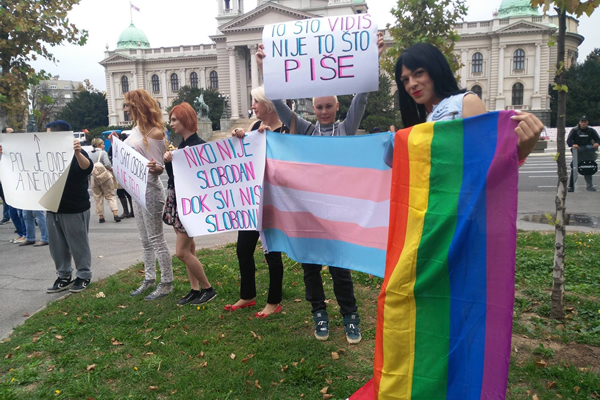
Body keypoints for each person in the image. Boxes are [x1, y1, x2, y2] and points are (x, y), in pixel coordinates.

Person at [254, 33, 385, 344]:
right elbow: (279, 106)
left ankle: (350, 316)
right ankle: (319, 313)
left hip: (338, 214)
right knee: (310, 267)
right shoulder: (306, 130)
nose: (324, 111)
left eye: (328, 106)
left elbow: (361, 99)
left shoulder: (345, 129)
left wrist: (373, 59)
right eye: (319, 107)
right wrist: (266, 70)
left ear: (337, 106)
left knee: (341, 269)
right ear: (313, 109)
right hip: (308, 212)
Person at [394, 43, 542, 160]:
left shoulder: (465, 103)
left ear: (435, 69)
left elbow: (487, 161)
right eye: (405, 80)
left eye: (418, 73)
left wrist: (522, 149)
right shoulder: (420, 118)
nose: (412, 84)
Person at [229, 86, 287, 318]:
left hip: (272, 202)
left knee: (272, 253)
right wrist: (238, 136)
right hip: (251, 201)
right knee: (243, 249)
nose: (252, 106)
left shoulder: (285, 129)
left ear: (268, 104)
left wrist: (271, 140)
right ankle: (248, 295)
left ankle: (274, 301)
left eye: (255, 101)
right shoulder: (254, 127)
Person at [117, 89, 173, 301]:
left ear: (138, 106)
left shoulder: (156, 133)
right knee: (145, 239)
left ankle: (166, 282)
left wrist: (154, 167)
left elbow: (159, 168)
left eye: (128, 106)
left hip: (150, 189)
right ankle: (149, 278)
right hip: (136, 189)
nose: (125, 109)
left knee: (156, 238)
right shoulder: (135, 130)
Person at [162, 102, 217, 305]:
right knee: (189, 249)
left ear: (185, 120)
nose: (171, 124)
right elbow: (175, 178)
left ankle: (207, 289)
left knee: (182, 252)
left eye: (174, 119)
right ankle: (195, 289)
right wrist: (169, 162)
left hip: (190, 204)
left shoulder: (197, 146)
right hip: (180, 201)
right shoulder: (183, 146)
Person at [44, 120, 93, 293]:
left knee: (78, 244)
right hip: (52, 207)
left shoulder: (77, 152)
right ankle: (64, 275)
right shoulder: (46, 153)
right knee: (57, 247)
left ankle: (84, 275)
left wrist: (78, 153)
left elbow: (87, 168)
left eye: (48, 134)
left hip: (74, 207)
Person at [89, 138, 122, 223]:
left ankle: (101, 217)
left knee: (97, 197)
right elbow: (107, 164)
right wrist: (111, 169)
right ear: (99, 145)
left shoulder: (89, 154)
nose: (104, 145)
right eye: (103, 144)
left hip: (94, 177)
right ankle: (115, 214)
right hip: (105, 177)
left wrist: (89, 179)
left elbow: (87, 167)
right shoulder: (103, 153)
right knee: (110, 195)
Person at [567, 115, 599, 192]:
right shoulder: (574, 130)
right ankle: (571, 186)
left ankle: (589, 186)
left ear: (587, 122)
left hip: (588, 152)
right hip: (578, 152)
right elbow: (569, 141)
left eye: (585, 122)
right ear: (579, 122)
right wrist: (573, 145)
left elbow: (598, 139)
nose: (583, 123)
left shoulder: (591, 130)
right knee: (574, 168)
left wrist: (597, 143)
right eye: (582, 121)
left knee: (588, 168)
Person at [116, 132, 134, 218]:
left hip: (125, 172)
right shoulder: (119, 147)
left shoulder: (124, 147)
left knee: (123, 192)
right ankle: (129, 211)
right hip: (122, 172)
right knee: (122, 192)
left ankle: (129, 211)